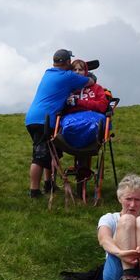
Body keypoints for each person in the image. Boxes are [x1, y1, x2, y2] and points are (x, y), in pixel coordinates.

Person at [24, 49, 94, 198]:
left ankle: (49, 184)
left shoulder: (48, 73)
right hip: (44, 120)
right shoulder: (67, 76)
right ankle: (34, 191)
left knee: (51, 153)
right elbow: (89, 82)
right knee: (39, 156)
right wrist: (90, 75)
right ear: (68, 62)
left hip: (34, 118)